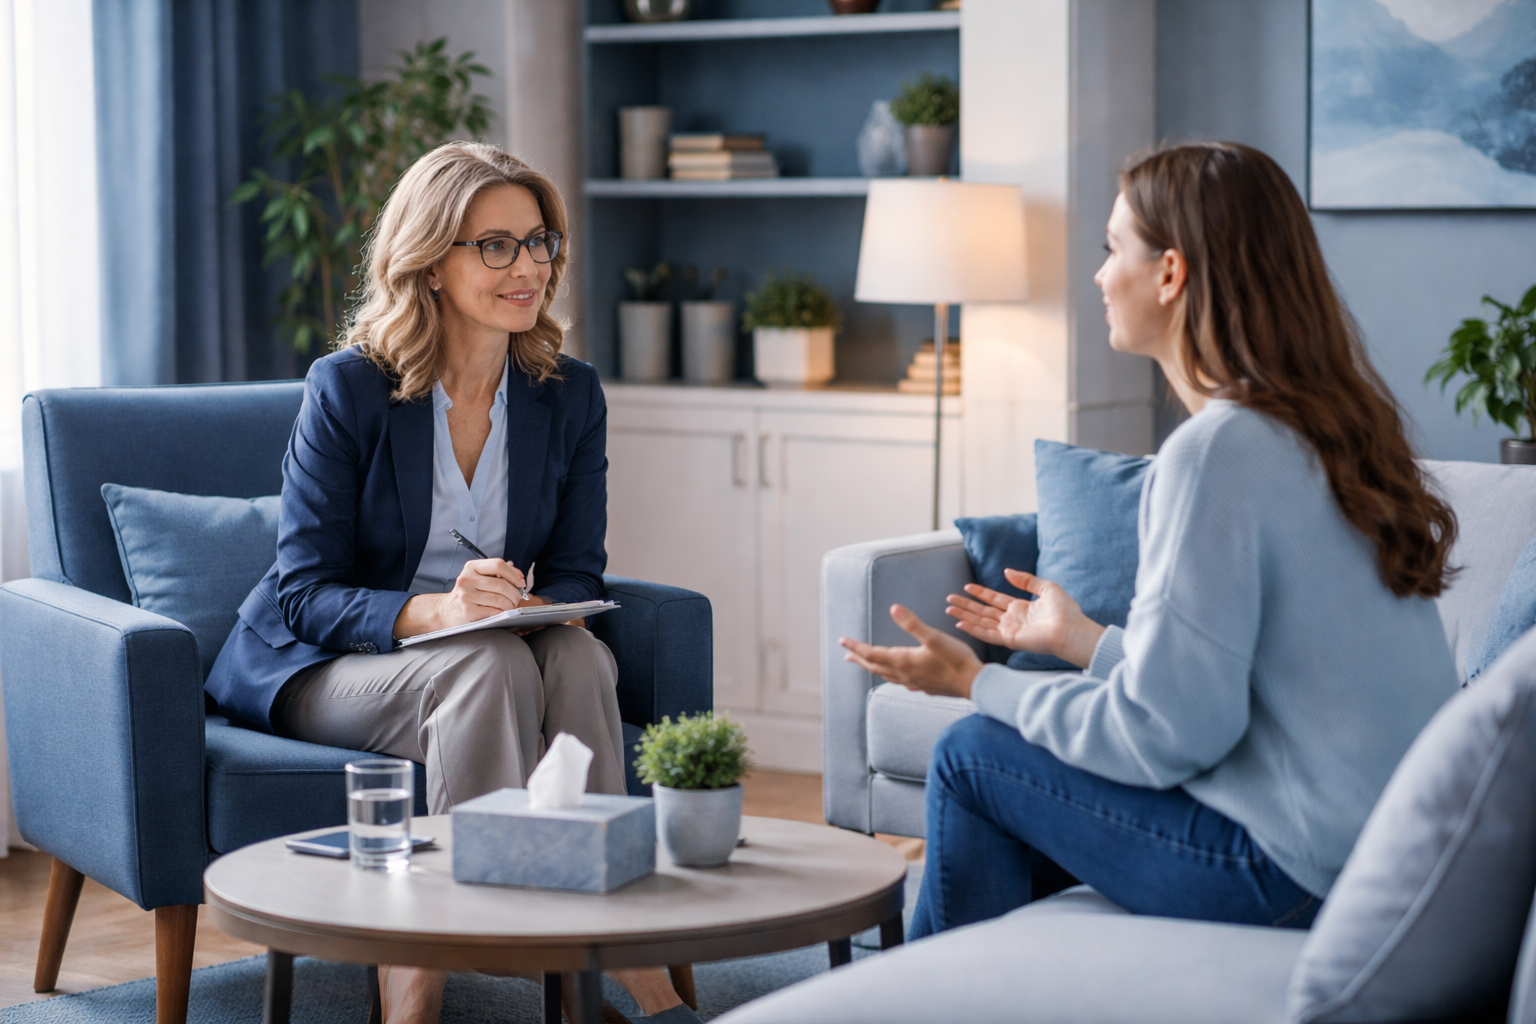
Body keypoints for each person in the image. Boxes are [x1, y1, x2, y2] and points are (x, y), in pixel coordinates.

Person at [840, 142, 1460, 939]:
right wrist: (1087, 642)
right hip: (1381, 857)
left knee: (972, 756)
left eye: (1112, 249)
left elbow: (1165, 740)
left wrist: (975, 684)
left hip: (1292, 875)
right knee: (1019, 790)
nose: (1099, 276)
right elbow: (1224, 695)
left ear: (1170, 273)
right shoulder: (1326, 431)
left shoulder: (1218, 453)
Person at [207, 142, 698, 1024]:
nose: (529, 268)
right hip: (325, 660)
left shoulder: (567, 393)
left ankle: (622, 969)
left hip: (487, 647)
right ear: (432, 263)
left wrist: (548, 609)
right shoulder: (349, 389)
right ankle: (420, 991)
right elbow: (302, 591)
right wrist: (437, 610)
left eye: (539, 242)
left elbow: (580, 563)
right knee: (486, 667)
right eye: (496, 246)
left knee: (580, 665)